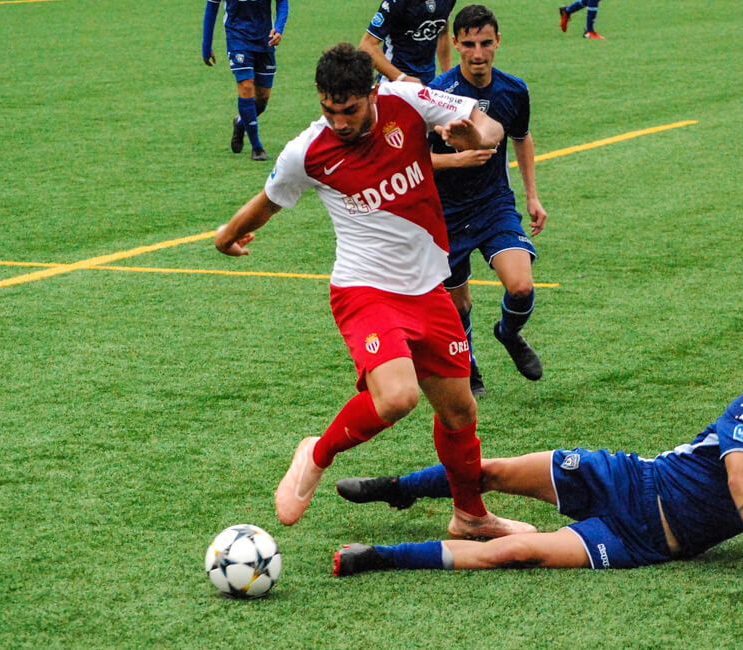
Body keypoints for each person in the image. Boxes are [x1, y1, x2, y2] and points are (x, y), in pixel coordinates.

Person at [214, 43, 536, 540]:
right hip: (365, 290)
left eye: (349, 109)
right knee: (398, 397)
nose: (339, 122)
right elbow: (269, 201)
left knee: (459, 411)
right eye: (329, 109)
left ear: (371, 93)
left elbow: (484, 121)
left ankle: (470, 515)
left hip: (427, 289)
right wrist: (226, 235)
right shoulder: (307, 151)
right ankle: (316, 453)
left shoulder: (405, 99)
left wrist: (476, 135)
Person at [331, 361, 743, 583]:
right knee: (491, 470)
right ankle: (397, 490)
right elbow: (740, 477)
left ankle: (379, 558)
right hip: (627, 479)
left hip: (642, 541)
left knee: (515, 552)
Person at [427, 5, 548, 396]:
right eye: (468, 44)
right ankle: (468, 365)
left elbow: (521, 138)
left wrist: (532, 196)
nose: (477, 53)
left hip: (493, 204)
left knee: (521, 286)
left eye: (485, 43)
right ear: (455, 44)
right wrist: (458, 158)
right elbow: (414, 159)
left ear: (498, 41)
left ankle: (508, 333)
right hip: (445, 211)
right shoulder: (437, 95)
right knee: (458, 305)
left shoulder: (514, 90)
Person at [202, 0, 289, 161]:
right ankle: (257, 147)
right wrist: (206, 45)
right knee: (246, 86)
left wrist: (279, 29)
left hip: (265, 39)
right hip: (237, 38)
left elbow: (282, 2)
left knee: (262, 100)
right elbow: (212, 6)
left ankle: (241, 122)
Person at [359, 0, 457, 86]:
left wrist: (447, 77)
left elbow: (443, 33)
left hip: (428, 84)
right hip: (394, 85)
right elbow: (367, 45)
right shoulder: (396, 2)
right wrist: (402, 78)